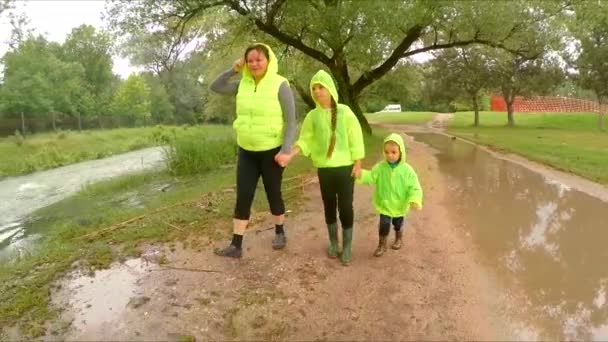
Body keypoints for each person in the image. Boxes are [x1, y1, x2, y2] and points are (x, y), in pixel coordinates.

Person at [209, 43, 296, 258]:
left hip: (271, 151)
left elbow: (292, 121)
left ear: (268, 60)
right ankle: (236, 245)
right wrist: (233, 70)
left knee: (273, 193)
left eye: (259, 59)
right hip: (247, 150)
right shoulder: (242, 84)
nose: (255, 64)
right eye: (250, 60)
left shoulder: (280, 84)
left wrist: (286, 150)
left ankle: (279, 231)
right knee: (244, 195)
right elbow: (216, 86)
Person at [279, 70, 365, 266]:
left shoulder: (345, 112)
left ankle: (348, 246)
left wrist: (358, 162)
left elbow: (355, 138)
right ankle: (334, 243)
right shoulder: (312, 116)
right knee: (329, 206)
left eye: (321, 87)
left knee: (345, 207)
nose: (317, 91)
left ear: (330, 89)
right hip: (325, 170)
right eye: (314, 88)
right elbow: (305, 140)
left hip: (345, 169)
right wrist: (290, 154)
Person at [355, 133, 423, 256]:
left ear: (401, 152)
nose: (389, 155)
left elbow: (414, 186)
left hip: (399, 205)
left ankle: (398, 237)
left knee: (398, 223)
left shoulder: (407, 170)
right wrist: (360, 174)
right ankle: (382, 244)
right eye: (386, 152)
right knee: (384, 225)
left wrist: (415, 199)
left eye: (393, 152)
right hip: (385, 204)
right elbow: (371, 176)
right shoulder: (380, 167)